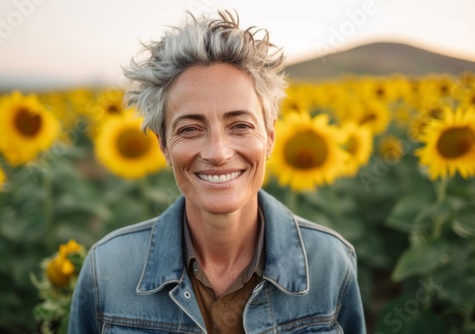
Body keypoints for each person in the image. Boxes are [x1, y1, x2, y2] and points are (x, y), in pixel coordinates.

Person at [69, 10, 365, 333]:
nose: (218, 153)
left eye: (240, 125)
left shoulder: (330, 264)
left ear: (269, 137)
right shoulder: (107, 271)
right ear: (164, 146)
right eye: (190, 129)